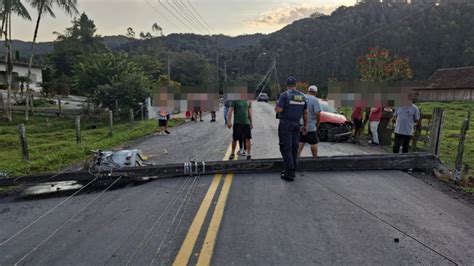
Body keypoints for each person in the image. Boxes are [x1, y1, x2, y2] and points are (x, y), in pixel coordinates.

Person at [275, 76, 308, 181]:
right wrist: (305, 125)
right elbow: (305, 112)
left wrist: (276, 106)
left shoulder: (284, 95)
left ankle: (289, 172)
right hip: (297, 124)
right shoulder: (302, 96)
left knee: (285, 147)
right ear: (295, 85)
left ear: (287, 85)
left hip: (286, 124)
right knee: (294, 147)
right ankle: (293, 170)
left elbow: (279, 110)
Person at [298, 85, 321, 158]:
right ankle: (315, 157)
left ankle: (296, 158)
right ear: (316, 92)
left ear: (308, 91)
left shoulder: (302, 98)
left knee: (300, 142)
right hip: (311, 125)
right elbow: (318, 113)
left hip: (301, 124)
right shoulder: (315, 100)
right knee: (313, 142)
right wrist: (318, 123)